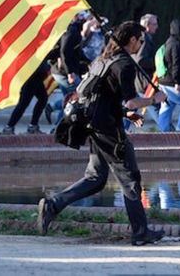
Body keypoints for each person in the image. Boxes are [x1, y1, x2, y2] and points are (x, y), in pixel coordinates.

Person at [38, 21, 167, 245]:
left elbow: (106, 98)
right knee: (130, 179)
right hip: (107, 128)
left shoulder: (103, 60)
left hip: (94, 124)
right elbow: (131, 101)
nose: (141, 44)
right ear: (132, 40)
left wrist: (128, 115)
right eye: (140, 40)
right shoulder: (125, 64)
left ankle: (54, 204)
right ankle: (140, 232)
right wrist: (154, 99)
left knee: (96, 178)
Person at [157, 19, 180, 132]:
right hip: (174, 82)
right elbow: (176, 64)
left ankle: (163, 132)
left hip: (164, 81)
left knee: (167, 105)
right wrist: (178, 82)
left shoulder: (169, 42)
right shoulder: (177, 45)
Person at [3, 58, 51, 134]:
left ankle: (33, 125)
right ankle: (9, 127)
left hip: (37, 76)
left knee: (43, 98)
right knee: (23, 103)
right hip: (32, 77)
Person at [133, 13, 158, 94]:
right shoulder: (145, 40)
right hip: (145, 83)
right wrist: (157, 62)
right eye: (154, 24)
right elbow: (140, 60)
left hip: (140, 83)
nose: (157, 27)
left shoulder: (138, 38)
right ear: (147, 25)